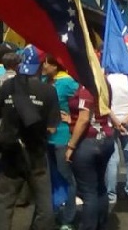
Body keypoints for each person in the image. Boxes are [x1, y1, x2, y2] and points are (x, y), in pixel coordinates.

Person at [0, 45, 60, 230]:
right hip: (36, 155)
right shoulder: (48, 91)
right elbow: (52, 127)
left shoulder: (7, 85)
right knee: (44, 206)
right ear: (40, 66)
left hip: (10, 151)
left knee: (4, 203)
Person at [66, 82, 115, 230]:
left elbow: (84, 118)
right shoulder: (104, 82)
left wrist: (71, 146)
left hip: (89, 140)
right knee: (99, 186)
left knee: (88, 192)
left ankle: (89, 226)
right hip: (105, 138)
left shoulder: (87, 86)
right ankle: (102, 224)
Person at [43, 55, 79, 230]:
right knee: (50, 177)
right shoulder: (44, 79)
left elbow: (88, 103)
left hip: (62, 138)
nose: (43, 65)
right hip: (45, 139)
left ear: (56, 66)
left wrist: (72, 118)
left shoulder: (69, 83)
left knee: (66, 177)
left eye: (46, 63)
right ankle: (55, 210)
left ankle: (69, 218)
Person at [105, 73, 128, 204]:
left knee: (113, 159)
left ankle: (111, 195)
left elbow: (105, 105)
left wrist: (117, 123)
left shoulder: (106, 79)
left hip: (111, 122)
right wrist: (127, 120)